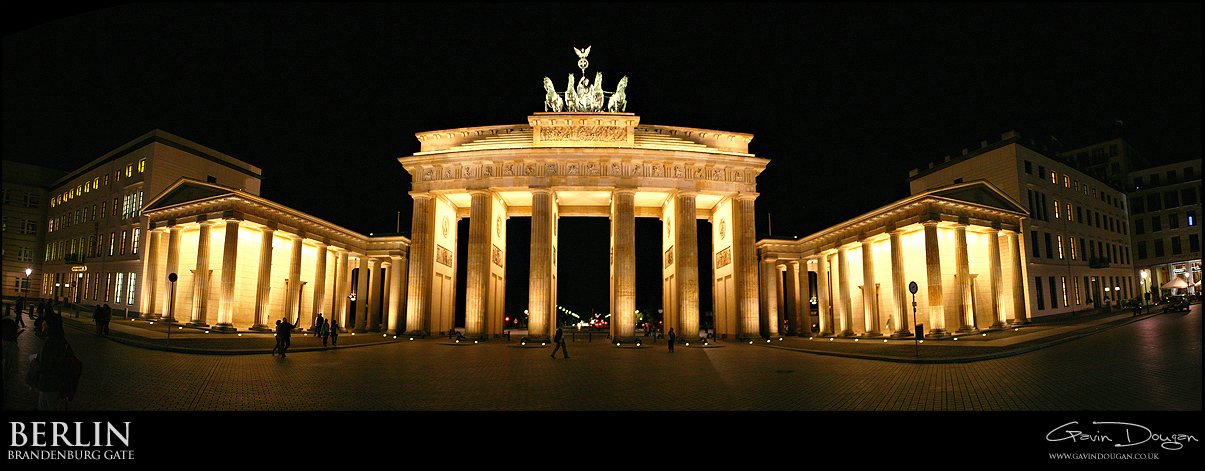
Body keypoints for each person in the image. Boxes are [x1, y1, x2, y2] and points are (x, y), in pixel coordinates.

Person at [31, 311, 69, 410]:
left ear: (50, 325)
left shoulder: (49, 343)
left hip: (48, 384)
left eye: (45, 321)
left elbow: (45, 367)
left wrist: (34, 364)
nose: (42, 323)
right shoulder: (61, 341)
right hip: (57, 383)